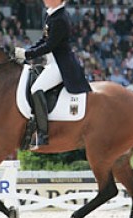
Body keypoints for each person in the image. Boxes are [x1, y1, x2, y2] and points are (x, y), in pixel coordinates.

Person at [14, 0, 91, 148]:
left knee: (36, 89)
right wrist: (26, 51)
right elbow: (44, 40)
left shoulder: (61, 18)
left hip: (61, 65)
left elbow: (49, 45)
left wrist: (28, 54)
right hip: (51, 62)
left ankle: (42, 133)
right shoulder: (51, 15)